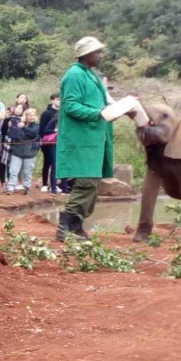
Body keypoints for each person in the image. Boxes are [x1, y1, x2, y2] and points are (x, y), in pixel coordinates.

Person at [56, 37, 118, 239]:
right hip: (81, 138)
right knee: (86, 182)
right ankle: (65, 228)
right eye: (97, 52)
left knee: (92, 183)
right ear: (86, 54)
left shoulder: (89, 75)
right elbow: (71, 106)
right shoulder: (74, 75)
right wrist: (98, 113)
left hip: (93, 138)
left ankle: (76, 226)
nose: (100, 55)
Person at [6, 108, 41, 194]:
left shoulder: (37, 126)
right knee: (13, 170)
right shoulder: (19, 123)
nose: (32, 117)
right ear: (25, 116)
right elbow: (11, 135)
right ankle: (11, 187)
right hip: (17, 151)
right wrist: (11, 126)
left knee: (27, 171)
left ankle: (27, 187)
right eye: (30, 115)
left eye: (33, 115)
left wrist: (24, 127)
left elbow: (33, 134)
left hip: (30, 153)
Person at [39, 94, 60, 192]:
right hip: (48, 142)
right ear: (52, 100)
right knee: (47, 162)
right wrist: (41, 140)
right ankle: (44, 183)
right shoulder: (46, 113)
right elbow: (42, 128)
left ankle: (54, 184)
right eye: (57, 99)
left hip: (59, 142)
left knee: (56, 164)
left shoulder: (62, 113)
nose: (59, 101)